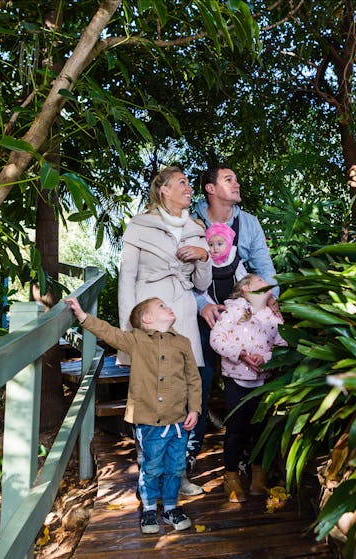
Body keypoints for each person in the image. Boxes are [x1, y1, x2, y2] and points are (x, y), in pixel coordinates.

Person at [65, 296, 202, 534]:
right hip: (149, 421)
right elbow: (109, 333)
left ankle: (171, 508)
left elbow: (193, 379)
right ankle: (149, 511)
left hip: (179, 421)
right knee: (151, 467)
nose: (167, 306)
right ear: (147, 320)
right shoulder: (137, 341)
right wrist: (82, 316)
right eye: (161, 305)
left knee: (175, 468)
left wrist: (195, 408)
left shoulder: (183, 342)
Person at [118, 166, 211, 496]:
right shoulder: (139, 227)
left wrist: (203, 256)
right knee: (149, 394)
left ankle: (180, 474)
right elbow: (126, 279)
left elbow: (203, 283)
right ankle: (149, 475)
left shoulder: (196, 229)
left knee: (183, 392)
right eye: (182, 183)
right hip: (149, 312)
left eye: (188, 183)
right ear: (164, 191)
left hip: (182, 314)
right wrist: (129, 332)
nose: (189, 188)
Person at [187, 166, 278, 477]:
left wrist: (270, 301)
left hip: (243, 317)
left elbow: (264, 267)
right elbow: (180, 274)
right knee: (199, 382)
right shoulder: (192, 222)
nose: (237, 183)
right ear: (210, 189)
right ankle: (189, 455)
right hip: (203, 314)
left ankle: (248, 459)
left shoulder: (247, 223)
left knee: (246, 383)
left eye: (237, 178)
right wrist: (202, 305)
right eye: (229, 179)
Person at [209, 274, 286, 503]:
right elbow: (216, 338)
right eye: (260, 281)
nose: (267, 282)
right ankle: (231, 477)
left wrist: (266, 357)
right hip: (236, 380)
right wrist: (241, 354)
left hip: (263, 381)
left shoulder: (274, 317)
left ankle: (258, 476)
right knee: (235, 430)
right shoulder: (234, 311)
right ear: (245, 290)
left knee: (260, 430)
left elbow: (284, 345)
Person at [203, 221, 248, 306]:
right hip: (212, 303)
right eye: (211, 244)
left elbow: (243, 280)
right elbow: (203, 288)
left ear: (228, 244)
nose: (215, 248)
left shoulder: (234, 260)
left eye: (220, 244)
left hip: (237, 303)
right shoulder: (206, 261)